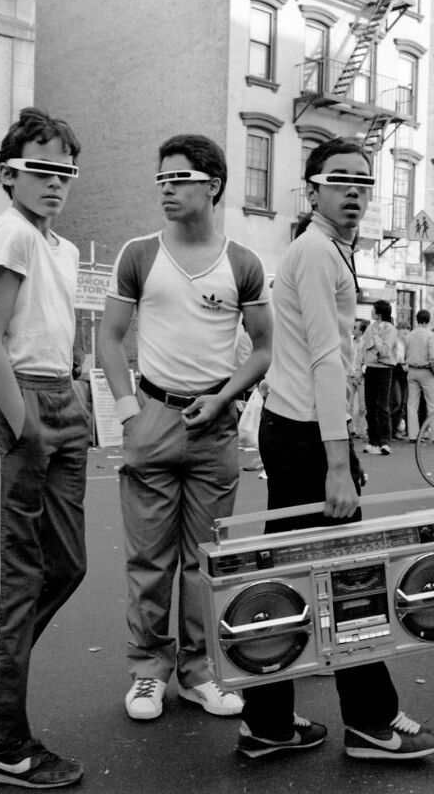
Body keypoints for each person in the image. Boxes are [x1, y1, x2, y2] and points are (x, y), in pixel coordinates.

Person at [238, 137, 434, 760]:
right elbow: (326, 361)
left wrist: (341, 452)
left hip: (299, 429)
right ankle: (371, 722)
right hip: (305, 436)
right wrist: (337, 464)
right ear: (313, 189)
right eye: (340, 179)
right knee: (349, 579)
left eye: (364, 181)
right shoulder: (316, 252)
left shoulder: (326, 250)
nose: (355, 190)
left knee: (297, 572)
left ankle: (268, 722)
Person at [99, 134, 272, 722]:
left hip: (214, 426)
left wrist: (225, 398)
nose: (166, 190)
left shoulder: (243, 263)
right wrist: (129, 411)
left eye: (179, 179)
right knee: (149, 560)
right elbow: (110, 338)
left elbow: (263, 348)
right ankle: (148, 671)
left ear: (212, 185)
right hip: (152, 415)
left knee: (206, 560)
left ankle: (200, 672)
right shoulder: (138, 254)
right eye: (162, 180)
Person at [0, 107, 89, 788]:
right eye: (41, 169)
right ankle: (2, 744)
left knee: (66, 564)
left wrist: (70, 399)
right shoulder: (12, 233)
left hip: (60, 396)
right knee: (19, 575)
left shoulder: (61, 247)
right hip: (18, 403)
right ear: (7, 174)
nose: (55, 181)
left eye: (66, 171)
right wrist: (24, 422)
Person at [361, 300, 397, 455]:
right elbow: (363, 348)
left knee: (382, 406)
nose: (371, 311)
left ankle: (385, 441)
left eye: (373, 309)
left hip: (384, 369)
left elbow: (385, 351)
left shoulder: (390, 329)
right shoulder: (370, 327)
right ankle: (373, 441)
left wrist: (375, 336)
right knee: (370, 406)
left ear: (380, 312)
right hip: (370, 368)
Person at [404, 310, 434, 444]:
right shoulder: (431, 336)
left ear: (417, 320)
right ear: (428, 320)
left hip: (412, 370)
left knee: (412, 405)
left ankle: (413, 435)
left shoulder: (409, 336)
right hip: (426, 371)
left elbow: (405, 354)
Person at [347, 319, 367, 438]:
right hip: (350, 375)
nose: (353, 329)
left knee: (362, 406)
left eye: (355, 327)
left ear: (361, 331)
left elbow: (367, 360)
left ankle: (361, 430)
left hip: (361, 377)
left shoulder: (365, 343)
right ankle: (351, 429)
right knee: (348, 404)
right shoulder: (350, 341)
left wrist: (362, 373)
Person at [390, 322, 409, 440]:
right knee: (396, 401)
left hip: (405, 373)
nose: (406, 332)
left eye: (407, 329)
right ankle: (390, 429)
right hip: (396, 371)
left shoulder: (407, 343)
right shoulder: (394, 342)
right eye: (403, 329)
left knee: (403, 403)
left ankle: (395, 429)